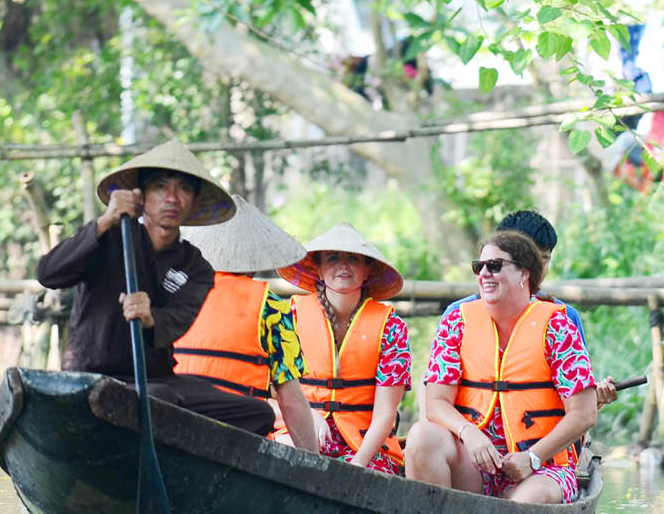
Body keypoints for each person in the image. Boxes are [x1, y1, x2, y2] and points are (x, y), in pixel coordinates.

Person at [34, 138, 275, 435]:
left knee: (257, 413)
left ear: (194, 201)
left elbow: (176, 322)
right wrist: (105, 220)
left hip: (155, 379)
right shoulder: (109, 237)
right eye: (160, 187)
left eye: (183, 189)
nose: (172, 198)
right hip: (93, 376)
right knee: (158, 400)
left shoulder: (195, 266)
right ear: (142, 197)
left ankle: (191, 466)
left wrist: (150, 318)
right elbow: (48, 273)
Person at [405, 231, 599, 503]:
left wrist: (532, 458)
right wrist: (469, 434)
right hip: (476, 459)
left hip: (542, 466)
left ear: (524, 274)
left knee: (530, 500)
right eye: (479, 267)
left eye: (495, 266)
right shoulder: (457, 322)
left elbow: (584, 413)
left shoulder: (558, 326)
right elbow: (436, 402)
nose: (484, 273)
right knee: (422, 436)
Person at [173, 195, 320, 452]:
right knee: (264, 414)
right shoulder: (271, 306)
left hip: (171, 418)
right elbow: (290, 400)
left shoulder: (174, 290)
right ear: (255, 258)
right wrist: (314, 461)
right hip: (236, 433)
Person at [274, 223, 411, 474]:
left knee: (369, 476)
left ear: (367, 270)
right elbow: (271, 390)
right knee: (281, 459)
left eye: (353, 259)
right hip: (300, 429)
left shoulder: (392, 326)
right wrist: (309, 417)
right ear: (319, 268)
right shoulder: (290, 314)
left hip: (366, 444)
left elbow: (385, 414)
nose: (343, 266)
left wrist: (358, 464)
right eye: (333, 258)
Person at [441, 210, 618, 406]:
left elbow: (579, 409)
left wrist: (596, 399)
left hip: (545, 433)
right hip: (472, 432)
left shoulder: (565, 318)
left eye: (544, 258)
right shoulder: (458, 317)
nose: (537, 267)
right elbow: (437, 398)